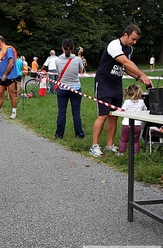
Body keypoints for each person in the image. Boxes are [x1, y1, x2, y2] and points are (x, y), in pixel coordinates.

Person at [89, 24, 152, 157]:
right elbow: (125, 62)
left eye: (136, 40)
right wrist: (142, 74)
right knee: (103, 115)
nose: (134, 42)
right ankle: (94, 146)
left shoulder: (129, 49)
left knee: (114, 116)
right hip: (104, 83)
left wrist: (138, 77)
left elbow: (125, 67)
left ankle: (109, 145)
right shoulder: (114, 45)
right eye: (133, 39)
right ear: (125, 35)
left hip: (116, 83)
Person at [55, 38, 85, 139]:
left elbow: (59, 73)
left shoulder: (58, 60)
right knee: (76, 112)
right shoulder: (77, 59)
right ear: (73, 48)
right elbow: (81, 70)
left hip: (63, 88)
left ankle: (59, 134)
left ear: (62, 47)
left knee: (61, 112)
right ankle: (79, 134)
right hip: (76, 87)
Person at [0, 35, 18, 119]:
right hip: (1, 76)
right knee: (0, 93)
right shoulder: (0, 52)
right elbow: (0, 64)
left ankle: (14, 112)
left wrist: (5, 74)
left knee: (11, 94)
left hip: (9, 76)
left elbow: (11, 63)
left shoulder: (8, 49)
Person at [118, 84, 147, 155]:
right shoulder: (141, 102)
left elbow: (122, 110)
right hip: (137, 124)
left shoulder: (127, 102)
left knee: (124, 139)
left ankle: (122, 152)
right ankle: (135, 153)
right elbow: (145, 110)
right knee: (135, 140)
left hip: (126, 124)